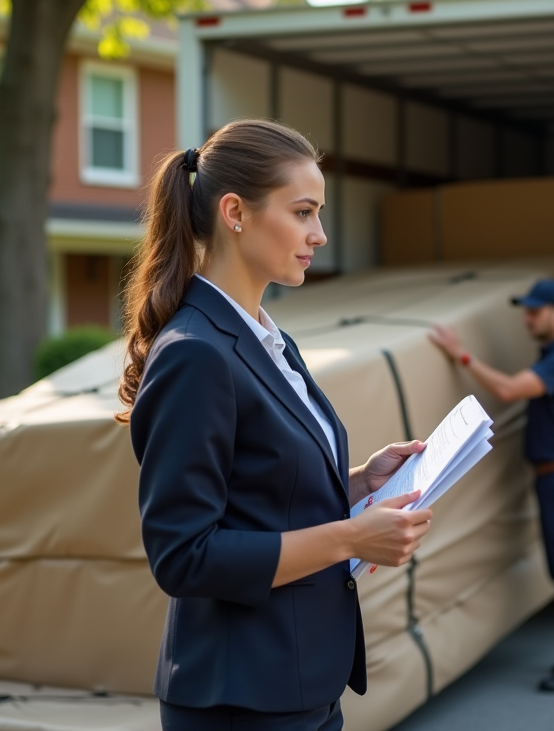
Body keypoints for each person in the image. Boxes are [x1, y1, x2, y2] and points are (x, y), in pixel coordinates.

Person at [117, 119, 435, 731]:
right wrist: (351, 538)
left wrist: (360, 483)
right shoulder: (196, 352)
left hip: (301, 682)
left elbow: (262, 496)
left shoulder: (266, 338)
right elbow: (184, 555)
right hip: (242, 701)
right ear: (235, 212)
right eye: (304, 212)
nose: (319, 233)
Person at [428, 278, 554, 692]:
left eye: (534, 311)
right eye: (525, 311)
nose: (527, 319)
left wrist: (461, 355)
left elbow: (509, 390)